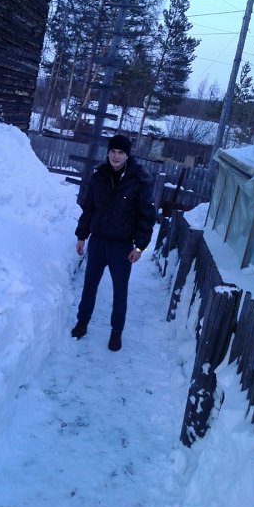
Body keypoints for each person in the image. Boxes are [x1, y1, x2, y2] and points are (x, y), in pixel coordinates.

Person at [71, 134, 156, 351]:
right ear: (108, 153)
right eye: (113, 152)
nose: (116, 156)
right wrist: (82, 236)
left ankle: (116, 332)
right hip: (98, 241)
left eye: (120, 152)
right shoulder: (99, 177)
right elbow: (89, 208)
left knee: (120, 290)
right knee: (89, 285)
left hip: (122, 246)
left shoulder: (138, 181)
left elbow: (146, 216)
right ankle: (82, 322)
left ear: (127, 155)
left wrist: (140, 247)